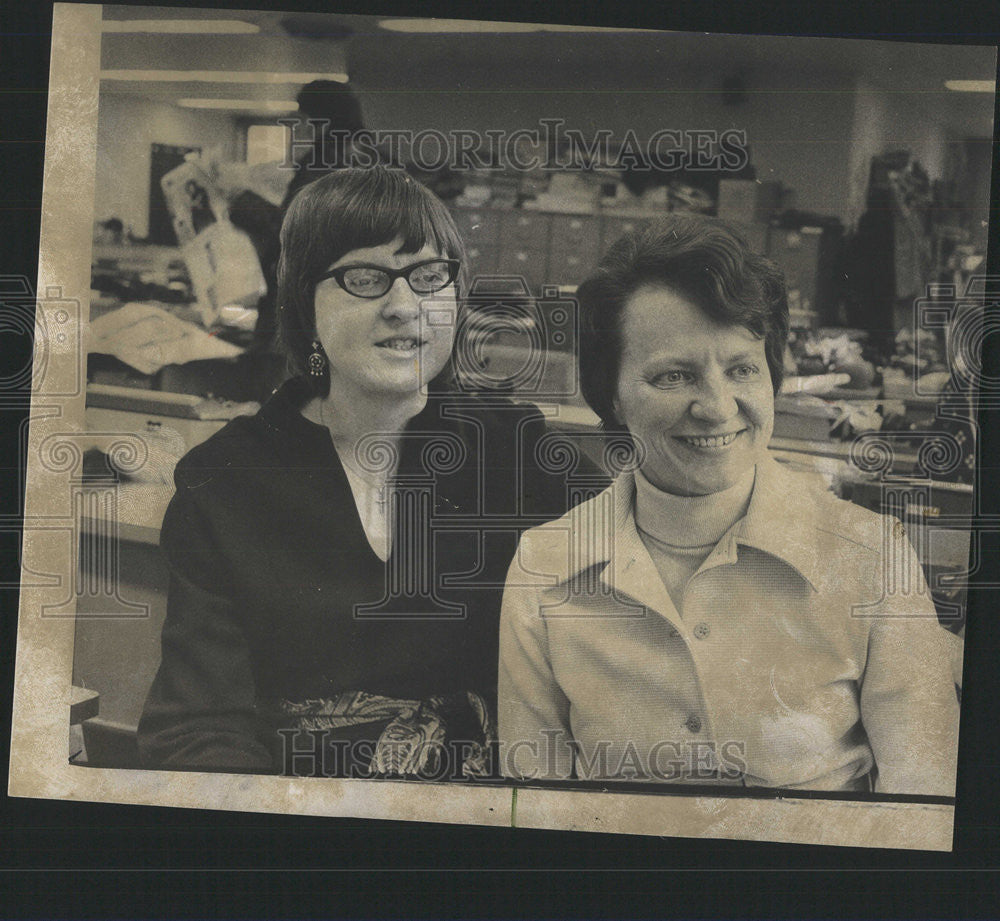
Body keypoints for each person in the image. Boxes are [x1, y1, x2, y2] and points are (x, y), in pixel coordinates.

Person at [138, 166, 589, 779]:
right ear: (304, 300)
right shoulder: (225, 480)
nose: (405, 307)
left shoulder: (517, 449)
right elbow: (197, 725)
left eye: (430, 277)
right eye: (365, 278)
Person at [498, 215, 960, 796]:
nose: (717, 407)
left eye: (741, 369)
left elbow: (926, 800)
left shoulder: (873, 557)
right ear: (610, 393)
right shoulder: (544, 568)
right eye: (673, 375)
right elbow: (531, 807)